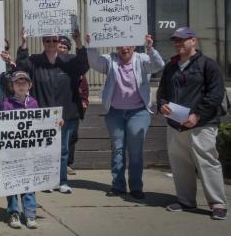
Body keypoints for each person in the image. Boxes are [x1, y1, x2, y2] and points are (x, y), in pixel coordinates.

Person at [157, 27, 228, 220]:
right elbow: (162, 91)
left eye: (182, 40)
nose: (178, 43)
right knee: (180, 164)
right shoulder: (171, 66)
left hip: (202, 124)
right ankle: (186, 201)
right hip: (175, 124)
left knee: (207, 162)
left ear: (194, 41)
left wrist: (197, 115)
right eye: (176, 41)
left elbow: (215, 94)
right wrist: (162, 104)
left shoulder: (209, 65)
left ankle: (217, 203)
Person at [87, 34, 164, 199]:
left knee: (135, 151)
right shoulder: (110, 60)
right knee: (118, 149)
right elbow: (94, 62)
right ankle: (118, 185)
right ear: (116, 47)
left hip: (138, 112)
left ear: (135, 46)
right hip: (115, 113)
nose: (125, 48)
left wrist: (150, 48)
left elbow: (158, 65)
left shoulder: (143, 59)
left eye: (128, 45)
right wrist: (91, 45)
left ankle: (136, 186)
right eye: (121, 45)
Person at [15, 29, 89, 194]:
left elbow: (84, 65)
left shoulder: (69, 61)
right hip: (42, 115)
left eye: (54, 41)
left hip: (66, 114)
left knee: (62, 150)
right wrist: (24, 43)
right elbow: (20, 67)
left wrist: (78, 42)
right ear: (43, 42)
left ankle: (62, 181)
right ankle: (45, 181)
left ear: (59, 43)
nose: (51, 44)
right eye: (47, 41)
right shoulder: (35, 61)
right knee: (43, 150)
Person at [0, 71, 39, 229]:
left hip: (29, 152)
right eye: (17, 82)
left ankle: (30, 213)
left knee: (29, 183)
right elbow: (1, 126)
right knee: (12, 183)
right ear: (12, 86)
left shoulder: (34, 103)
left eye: (24, 82)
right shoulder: (6, 103)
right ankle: (13, 212)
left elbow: (41, 124)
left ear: (30, 85)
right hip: (11, 153)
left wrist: (56, 122)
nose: (21, 85)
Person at [58, 35, 90, 175]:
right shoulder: (49, 63)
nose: (62, 49)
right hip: (55, 108)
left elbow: (83, 86)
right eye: (60, 46)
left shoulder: (74, 64)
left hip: (72, 107)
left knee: (72, 136)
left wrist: (84, 101)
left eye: (65, 47)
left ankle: (67, 164)